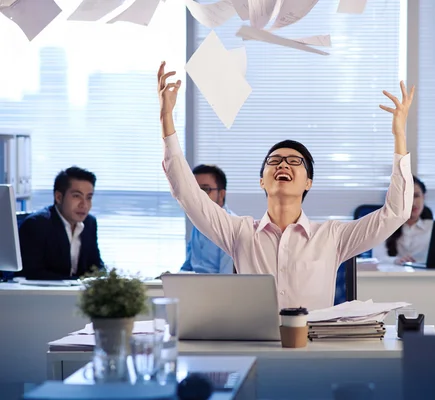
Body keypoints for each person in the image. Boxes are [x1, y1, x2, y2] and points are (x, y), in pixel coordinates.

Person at [157, 62, 415, 310]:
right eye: (274, 161)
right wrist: (166, 120)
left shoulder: (332, 237)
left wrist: (400, 136)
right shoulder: (239, 232)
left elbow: (396, 213)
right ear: (262, 181)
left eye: (295, 161)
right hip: (256, 346)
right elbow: (188, 194)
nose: (283, 165)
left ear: (308, 182)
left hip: (313, 349)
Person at [18, 167, 104, 280]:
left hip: (77, 294)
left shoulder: (90, 223)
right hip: (45, 294)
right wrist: (77, 282)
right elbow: (32, 273)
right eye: (76, 196)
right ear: (58, 197)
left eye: (88, 197)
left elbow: (96, 265)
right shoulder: (36, 225)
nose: (84, 205)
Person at [180, 164, 235, 274]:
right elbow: (187, 267)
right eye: (194, 190)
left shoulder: (232, 227)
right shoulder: (198, 223)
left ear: (221, 194)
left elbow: (227, 278)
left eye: (205, 189)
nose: (198, 196)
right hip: (194, 287)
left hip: (216, 289)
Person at [372, 176, 433, 264]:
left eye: (416, 196)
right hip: (393, 276)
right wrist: (396, 261)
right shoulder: (383, 227)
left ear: (423, 197)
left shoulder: (433, 228)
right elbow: (377, 259)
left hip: (427, 276)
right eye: (406, 197)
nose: (413, 203)